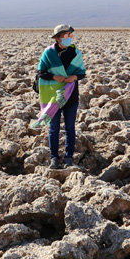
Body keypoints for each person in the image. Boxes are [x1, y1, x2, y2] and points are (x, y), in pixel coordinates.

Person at [37, 24, 86, 168]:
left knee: (70, 127)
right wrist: (54, 77)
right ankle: (54, 158)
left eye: (70, 35)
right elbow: (41, 72)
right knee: (54, 128)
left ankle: (68, 157)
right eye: (66, 35)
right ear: (58, 38)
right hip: (54, 96)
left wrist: (74, 77)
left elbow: (82, 73)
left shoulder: (75, 52)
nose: (69, 37)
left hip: (71, 95)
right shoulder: (49, 53)